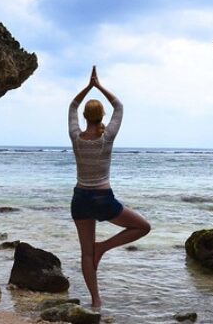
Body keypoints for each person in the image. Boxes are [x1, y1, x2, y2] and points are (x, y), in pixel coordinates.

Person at [68, 66, 151, 308]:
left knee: (85, 253)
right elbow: (120, 106)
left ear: (85, 116)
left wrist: (88, 87)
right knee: (143, 226)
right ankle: (104, 247)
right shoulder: (107, 138)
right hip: (103, 199)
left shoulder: (75, 136)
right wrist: (100, 86)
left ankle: (95, 301)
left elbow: (72, 106)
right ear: (102, 116)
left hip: (80, 199)